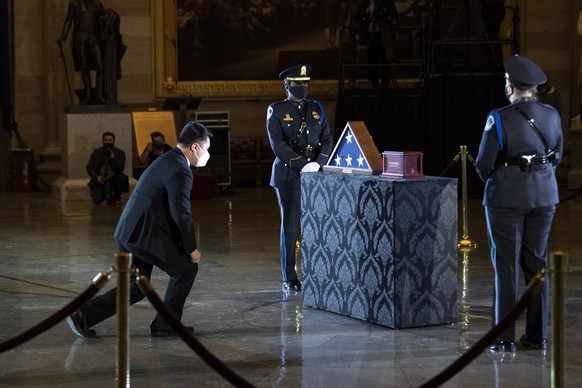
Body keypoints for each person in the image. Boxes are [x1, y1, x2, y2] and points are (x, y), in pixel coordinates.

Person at [67, 121, 212, 338]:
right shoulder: (180, 170)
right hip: (144, 235)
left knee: (137, 288)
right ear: (195, 147)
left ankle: (84, 314)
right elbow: (181, 213)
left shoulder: (168, 159)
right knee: (186, 269)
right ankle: (166, 324)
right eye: (206, 148)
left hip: (128, 231)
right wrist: (191, 248)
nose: (206, 154)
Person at [474, 55, 562, 353]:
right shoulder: (552, 114)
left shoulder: (499, 117)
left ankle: (504, 337)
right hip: (544, 196)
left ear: (511, 87)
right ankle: (537, 336)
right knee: (537, 264)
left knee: (506, 265)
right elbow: (557, 156)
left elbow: (484, 165)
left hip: (506, 199)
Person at [266, 64, 334, 293]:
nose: (303, 87)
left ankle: (317, 273)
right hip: (289, 175)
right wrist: (304, 165)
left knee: (317, 227)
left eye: (305, 83)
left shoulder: (316, 108)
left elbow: (327, 139)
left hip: (315, 174)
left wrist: (319, 163)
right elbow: (279, 146)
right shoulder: (276, 110)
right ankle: (290, 277)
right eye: (297, 84)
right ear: (287, 86)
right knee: (291, 227)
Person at [58, 0, 106, 104]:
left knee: (100, 67)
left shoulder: (97, 3)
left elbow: (105, 19)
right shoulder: (74, 4)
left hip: (94, 37)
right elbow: (68, 21)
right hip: (80, 38)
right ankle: (88, 95)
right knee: (84, 67)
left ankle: (99, 95)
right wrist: (63, 36)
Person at [86, 132, 129, 205]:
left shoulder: (120, 152)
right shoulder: (97, 152)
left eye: (110, 140)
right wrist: (96, 177)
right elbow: (89, 167)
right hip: (100, 180)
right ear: (103, 141)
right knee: (97, 200)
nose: (108, 142)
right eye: (106, 140)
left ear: (113, 141)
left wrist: (113, 158)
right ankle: (106, 195)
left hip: (114, 179)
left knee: (122, 177)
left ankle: (116, 196)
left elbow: (120, 169)